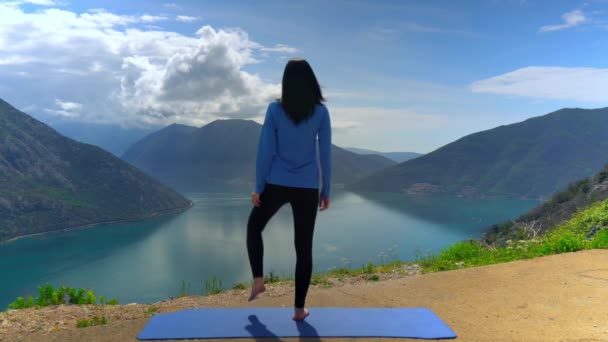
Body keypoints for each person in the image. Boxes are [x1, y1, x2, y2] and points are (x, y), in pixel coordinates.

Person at [246, 58, 331, 321]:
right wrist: (326, 190)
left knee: (254, 227)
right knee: (303, 248)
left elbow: (265, 152)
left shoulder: (274, 110)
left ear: (286, 83)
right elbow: (325, 154)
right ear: (311, 82)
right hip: (307, 187)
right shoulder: (320, 113)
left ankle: (258, 279)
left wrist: (259, 187)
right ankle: (298, 310)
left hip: (276, 183)